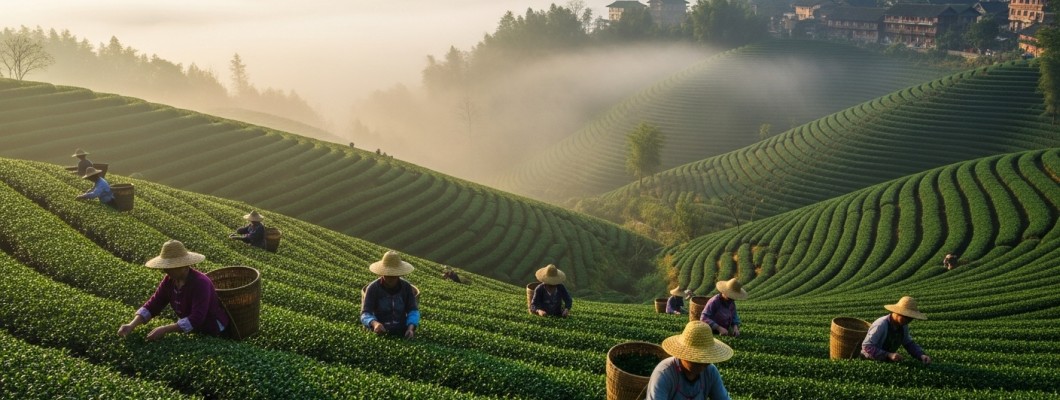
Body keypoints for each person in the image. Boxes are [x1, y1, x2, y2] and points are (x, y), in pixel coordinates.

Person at [117, 240, 230, 341]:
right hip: (194, 328)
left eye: (170, 267)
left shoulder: (200, 283)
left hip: (213, 328)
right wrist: (132, 325)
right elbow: (154, 304)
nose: (166, 270)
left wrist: (165, 329)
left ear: (184, 266)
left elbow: (197, 318)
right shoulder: (169, 280)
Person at [646, 321, 734, 400]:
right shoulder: (664, 373)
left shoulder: (710, 372)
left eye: (705, 358)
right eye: (696, 359)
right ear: (682, 354)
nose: (703, 363)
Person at [361, 250, 420, 339]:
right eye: (388, 275)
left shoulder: (406, 287)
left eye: (394, 275)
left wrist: (410, 328)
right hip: (379, 333)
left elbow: (413, 310)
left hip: (401, 331)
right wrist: (374, 323)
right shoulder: (373, 288)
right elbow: (365, 313)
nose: (391, 278)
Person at [862, 296, 932, 364]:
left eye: (911, 318)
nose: (908, 321)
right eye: (906, 317)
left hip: (886, 361)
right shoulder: (881, 325)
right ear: (897, 312)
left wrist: (921, 355)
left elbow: (908, 343)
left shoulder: (903, 325)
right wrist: (888, 355)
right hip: (870, 360)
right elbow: (867, 346)